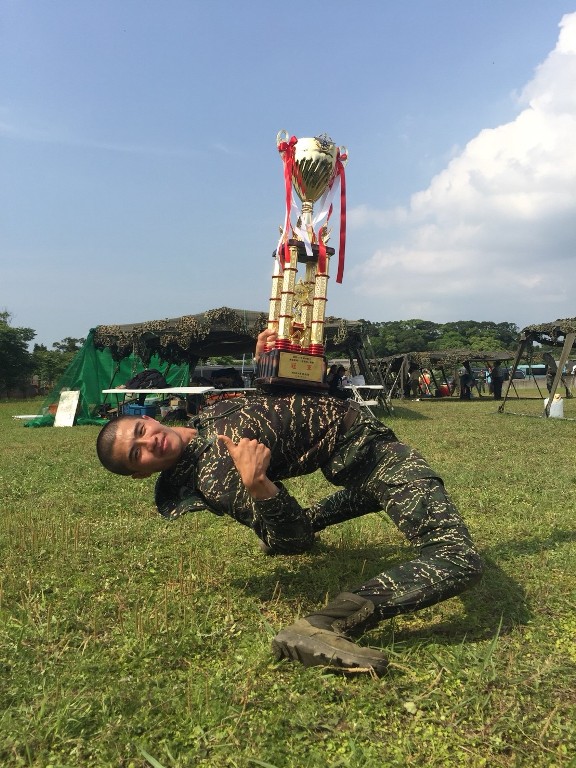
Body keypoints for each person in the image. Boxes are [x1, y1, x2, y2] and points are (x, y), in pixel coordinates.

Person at [96, 329, 483, 676]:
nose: (149, 442)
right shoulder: (215, 476)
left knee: (373, 494)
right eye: (137, 454)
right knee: (457, 557)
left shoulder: (202, 417)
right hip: (366, 454)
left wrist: (269, 364)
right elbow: (295, 542)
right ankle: (324, 625)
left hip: (357, 444)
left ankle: (319, 521)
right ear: (141, 473)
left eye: (141, 431)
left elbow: (271, 411)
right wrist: (261, 486)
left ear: (146, 420)